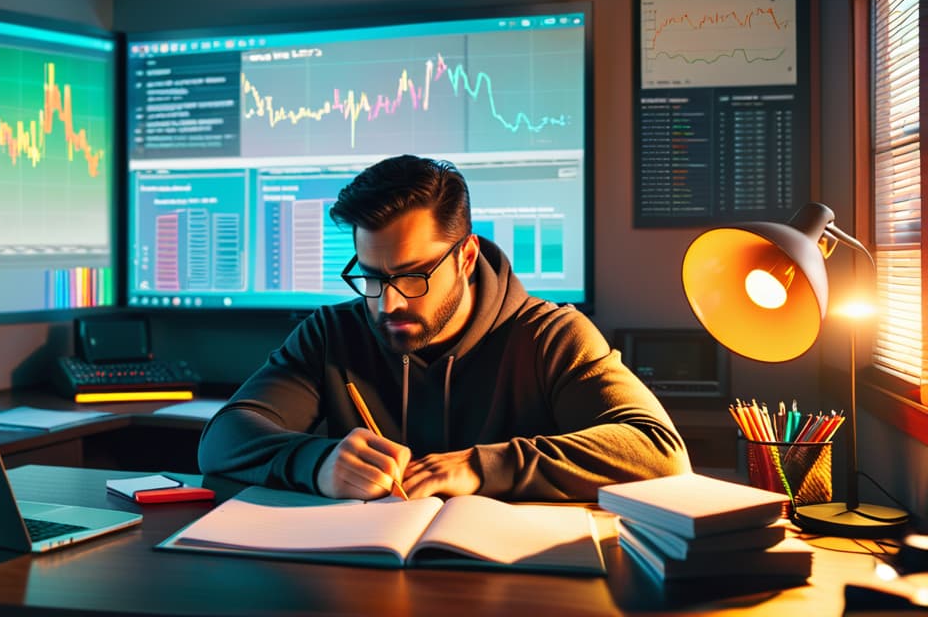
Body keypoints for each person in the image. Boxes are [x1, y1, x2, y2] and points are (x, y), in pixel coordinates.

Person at [197, 155, 690, 501]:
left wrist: (479, 467)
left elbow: (659, 452)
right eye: (371, 277)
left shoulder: (551, 335)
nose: (387, 300)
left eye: (412, 276)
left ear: (467, 256)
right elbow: (222, 439)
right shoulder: (331, 333)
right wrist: (316, 462)